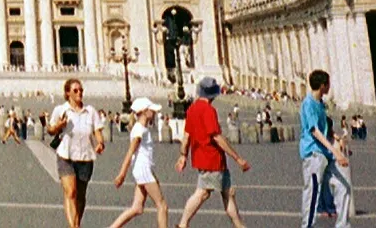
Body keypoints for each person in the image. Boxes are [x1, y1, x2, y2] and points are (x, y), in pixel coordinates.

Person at [175, 77, 251, 228]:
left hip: (204, 159)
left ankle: (239, 225)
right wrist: (237, 158)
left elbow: (186, 136)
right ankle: (183, 225)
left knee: (227, 193)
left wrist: (183, 155)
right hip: (211, 159)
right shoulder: (208, 110)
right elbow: (216, 137)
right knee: (202, 193)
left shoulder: (192, 109)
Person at [47, 78, 105, 228]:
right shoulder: (61, 110)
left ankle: (76, 223)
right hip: (66, 156)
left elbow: (97, 131)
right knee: (71, 192)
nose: (79, 93)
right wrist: (59, 125)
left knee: (80, 196)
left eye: (81, 90)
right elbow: (50, 129)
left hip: (85, 156)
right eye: (75, 90)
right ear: (68, 93)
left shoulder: (91, 111)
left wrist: (100, 143)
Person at [300, 70, 351, 227]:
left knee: (343, 187)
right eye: (328, 84)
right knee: (313, 193)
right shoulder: (308, 104)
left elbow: (324, 127)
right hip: (314, 155)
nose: (329, 87)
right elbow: (314, 131)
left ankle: (343, 225)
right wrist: (335, 151)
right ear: (323, 85)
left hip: (326, 154)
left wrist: (336, 137)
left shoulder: (320, 103)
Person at [110, 98, 167, 228]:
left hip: (142, 169)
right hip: (143, 169)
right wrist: (122, 174)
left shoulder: (140, 128)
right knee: (162, 205)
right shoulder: (139, 130)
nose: (154, 112)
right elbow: (130, 152)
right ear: (144, 111)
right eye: (151, 110)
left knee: (137, 208)